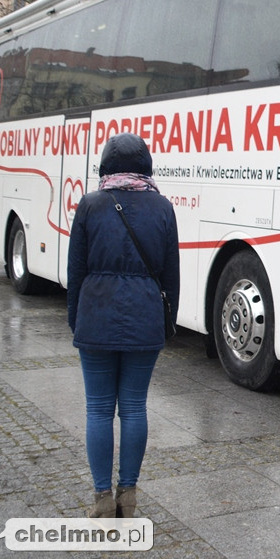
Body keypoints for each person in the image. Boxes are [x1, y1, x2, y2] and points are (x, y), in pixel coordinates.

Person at [68, 132, 180, 518]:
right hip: (144, 320)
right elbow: (171, 275)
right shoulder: (163, 207)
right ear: (146, 165)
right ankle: (127, 495)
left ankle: (101, 498)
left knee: (98, 409)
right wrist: (166, 323)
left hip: (95, 317)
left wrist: (76, 322)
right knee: (134, 408)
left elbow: (76, 272)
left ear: (105, 165)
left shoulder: (89, 205)